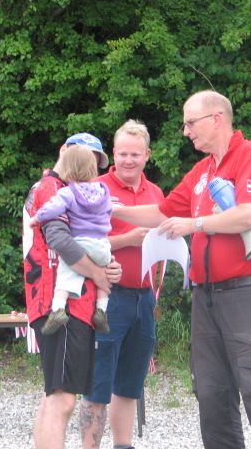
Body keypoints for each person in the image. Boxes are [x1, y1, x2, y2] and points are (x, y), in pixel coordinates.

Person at [111, 91, 251, 449]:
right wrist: (111, 209)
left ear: (216, 119)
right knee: (211, 394)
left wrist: (194, 224)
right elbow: (162, 212)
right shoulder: (201, 171)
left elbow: (249, 215)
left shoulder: (249, 155)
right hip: (206, 298)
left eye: (190, 123)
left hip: (247, 294)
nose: (186, 131)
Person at [23, 132, 123, 449]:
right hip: (62, 306)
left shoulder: (69, 192)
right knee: (63, 400)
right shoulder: (52, 188)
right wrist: (99, 274)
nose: (87, 167)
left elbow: (90, 241)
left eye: (93, 162)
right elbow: (59, 239)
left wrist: (108, 268)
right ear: (63, 151)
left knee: (54, 395)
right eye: (83, 157)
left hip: (68, 302)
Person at [79, 120, 165, 449]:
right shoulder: (95, 188)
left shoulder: (156, 194)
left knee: (129, 385)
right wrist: (128, 239)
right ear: (113, 153)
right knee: (98, 383)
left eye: (135, 154)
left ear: (147, 155)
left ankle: (123, 445)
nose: (129, 161)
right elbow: (79, 243)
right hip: (107, 297)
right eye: (123, 154)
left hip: (144, 297)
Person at [29, 144, 113, 335]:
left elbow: (53, 213)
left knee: (66, 276)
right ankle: (102, 309)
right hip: (102, 245)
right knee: (104, 277)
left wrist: (37, 218)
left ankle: (58, 308)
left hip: (81, 242)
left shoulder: (67, 192)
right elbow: (109, 214)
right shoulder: (103, 191)